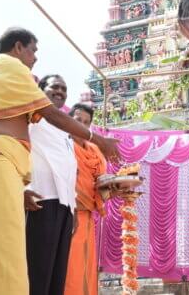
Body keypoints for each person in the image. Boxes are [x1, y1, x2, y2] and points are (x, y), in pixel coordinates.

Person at [0, 27, 120, 295]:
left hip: (12, 168)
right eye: (33, 50)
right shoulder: (10, 68)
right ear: (17, 47)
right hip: (1, 164)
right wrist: (98, 139)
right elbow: (48, 112)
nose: (35, 57)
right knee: (4, 249)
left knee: (8, 249)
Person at [25, 74, 78, 295]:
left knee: (57, 277)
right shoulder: (31, 118)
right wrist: (22, 190)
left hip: (64, 208)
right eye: (54, 87)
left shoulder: (66, 130)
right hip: (41, 202)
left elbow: (68, 171)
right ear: (40, 89)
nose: (60, 92)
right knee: (38, 274)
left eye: (64, 89)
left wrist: (72, 210)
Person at [64, 104, 110, 295]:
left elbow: (101, 189)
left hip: (88, 219)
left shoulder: (94, 151)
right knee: (70, 271)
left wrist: (116, 189)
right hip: (67, 217)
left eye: (86, 123)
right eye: (77, 121)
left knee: (86, 270)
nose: (81, 126)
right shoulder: (63, 146)